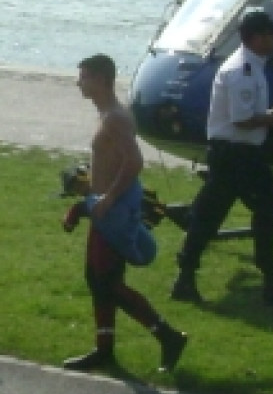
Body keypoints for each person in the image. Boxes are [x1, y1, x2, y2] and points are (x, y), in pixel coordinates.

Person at [62, 54, 188, 373]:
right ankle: (104, 349)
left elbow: (134, 162)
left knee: (105, 281)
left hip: (112, 212)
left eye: (84, 77)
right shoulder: (107, 114)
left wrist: (109, 198)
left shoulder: (115, 118)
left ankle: (168, 336)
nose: (79, 83)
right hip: (103, 209)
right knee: (100, 279)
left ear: (102, 79)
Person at [170, 9, 273, 305]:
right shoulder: (242, 71)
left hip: (233, 153)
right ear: (255, 38)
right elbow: (241, 119)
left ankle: (186, 277)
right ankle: (271, 281)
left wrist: (267, 117)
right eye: (270, 34)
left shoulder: (249, 67)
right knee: (263, 211)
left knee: (210, 214)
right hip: (238, 154)